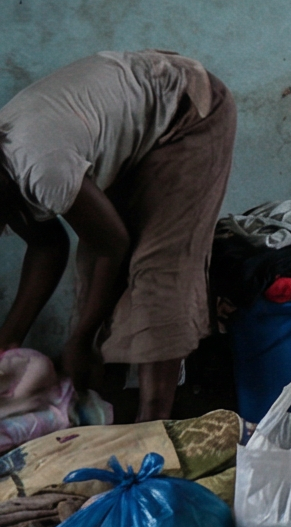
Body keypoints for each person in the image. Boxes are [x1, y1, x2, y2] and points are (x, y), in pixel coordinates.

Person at [0, 51, 237, 421]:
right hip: (140, 119)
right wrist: (8, 342)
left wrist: (81, 337)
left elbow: (113, 245)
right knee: (94, 267)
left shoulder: (41, 167)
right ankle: (101, 404)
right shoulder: (6, 175)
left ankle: (153, 423)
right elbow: (47, 245)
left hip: (185, 108)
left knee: (159, 265)